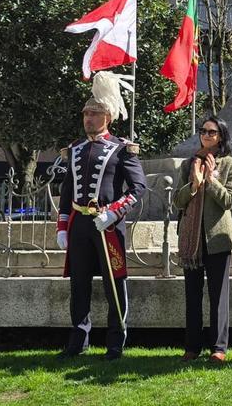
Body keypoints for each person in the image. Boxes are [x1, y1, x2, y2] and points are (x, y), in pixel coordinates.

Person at [56, 72, 147, 360]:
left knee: (114, 284)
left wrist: (114, 213)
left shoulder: (122, 149)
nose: (89, 119)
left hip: (108, 226)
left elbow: (138, 187)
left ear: (107, 116)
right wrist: (62, 226)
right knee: (78, 283)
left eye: (95, 114)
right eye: (86, 114)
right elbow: (67, 190)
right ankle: (78, 341)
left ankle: (115, 342)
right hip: (79, 225)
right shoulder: (73, 150)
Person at [174, 116, 232, 364]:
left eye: (212, 132)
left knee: (218, 296)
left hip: (218, 240)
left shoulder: (231, 164)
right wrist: (194, 184)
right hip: (191, 240)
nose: (206, 135)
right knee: (192, 296)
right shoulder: (188, 164)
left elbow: (229, 201)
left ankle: (218, 348)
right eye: (203, 131)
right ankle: (192, 347)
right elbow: (177, 202)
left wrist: (211, 181)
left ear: (221, 136)